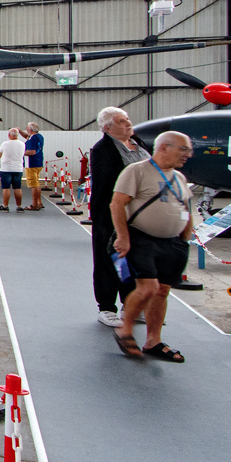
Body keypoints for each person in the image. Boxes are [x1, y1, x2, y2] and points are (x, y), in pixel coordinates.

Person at [110, 130, 194, 362]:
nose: (188, 154)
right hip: (141, 238)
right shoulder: (136, 171)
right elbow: (117, 204)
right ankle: (125, 329)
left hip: (173, 243)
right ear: (164, 147)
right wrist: (122, 237)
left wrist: (185, 235)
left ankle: (153, 340)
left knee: (162, 291)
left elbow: (186, 206)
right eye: (183, 149)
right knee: (147, 288)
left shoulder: (179, 177)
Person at [89, 107, 150, 327]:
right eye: (122, 121)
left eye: (127, 119)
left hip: (139, 215)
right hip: (112, 214)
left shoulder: (139, 143)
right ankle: (106, 308)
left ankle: (129, 304)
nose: (128, 123)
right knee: (108, 260)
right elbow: (105, 185)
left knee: (132, 261)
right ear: (108, 128)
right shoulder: (102, 149)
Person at [0, 128, 26, 211]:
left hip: (6, 168)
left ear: (9, 135)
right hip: (18, 168)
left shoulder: (5, 144)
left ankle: (5, 205)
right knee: (17, 187)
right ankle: (19, 206)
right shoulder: (22, 144)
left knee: (6, 188)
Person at [23, 122, 45, 210]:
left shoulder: (32, 139)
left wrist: (20, 153)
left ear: (30, 130)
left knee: (33, 184)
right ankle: (39, 202)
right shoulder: (39, 137)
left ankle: (34, 204)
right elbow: (26, 136)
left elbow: (32, 152)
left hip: (31, 164)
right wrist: (19, 131)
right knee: (37, 183)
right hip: (38, 162)